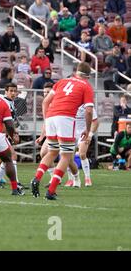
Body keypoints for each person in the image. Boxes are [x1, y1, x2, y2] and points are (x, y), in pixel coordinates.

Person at [31, 62, 94, 200]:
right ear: (87, 76)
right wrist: (87, 130)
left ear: (76, 72)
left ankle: (36, 178)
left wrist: (47, 120)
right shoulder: (86, 86)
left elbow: (45, 102)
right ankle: (51, 191)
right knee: (66, 155)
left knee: (52, 151)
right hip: (66, 118)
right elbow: (89, 111)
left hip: (51, 117)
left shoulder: (61, 81)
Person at [0, 83, 24, 189]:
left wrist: (13, 132)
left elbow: (10, 121)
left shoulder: (11, 103)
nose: (13, 93)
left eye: (15, 91)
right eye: (11, 91)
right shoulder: (4, 102)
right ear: (6, 91)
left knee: (5, 158)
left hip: (2, 135)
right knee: (12, 156)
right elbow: (3, 121)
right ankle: (15, 182)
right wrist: (12, 134)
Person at [64, 104, 99, 187]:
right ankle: (71, 179)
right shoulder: (71, 102)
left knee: (82, 154)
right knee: (68, 157)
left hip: (83, 134)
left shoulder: (87, 105)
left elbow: (96, 121)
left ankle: (87, 178)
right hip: (71, 133)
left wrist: (90, 135)